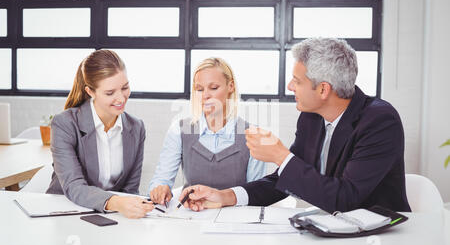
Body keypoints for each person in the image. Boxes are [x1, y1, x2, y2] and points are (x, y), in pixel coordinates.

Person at [178, 38, 411, 213]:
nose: (289, 86)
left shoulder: (380, 121)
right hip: (329, 229)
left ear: (323, 89)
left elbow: (345, 198)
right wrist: (224, 196)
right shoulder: (311, 117)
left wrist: (281, 155)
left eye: (297, 81)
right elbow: (283, 181)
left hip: (378, 238)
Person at [46, 49, 154, 218]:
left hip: (112, 218)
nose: (121, 98)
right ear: (90, 92)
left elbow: (130, 190)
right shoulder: (65, 124)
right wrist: (116, 202)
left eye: (125, 87)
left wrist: (133, 206)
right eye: (110, 93)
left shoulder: (136, 127)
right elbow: (74, 187)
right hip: (66, 213)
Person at [148, 57, 266, 205]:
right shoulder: (179, 130)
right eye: (199, 89)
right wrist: (159, 189)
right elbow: (161, 179)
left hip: (236, 221)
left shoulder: (253, 135)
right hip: (192, 217)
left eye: (214, 88)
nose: (205, 96)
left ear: (231, 87)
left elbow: (257, 193)